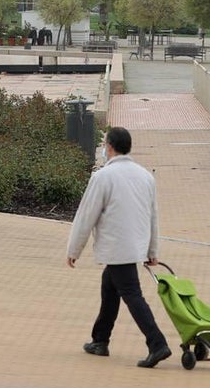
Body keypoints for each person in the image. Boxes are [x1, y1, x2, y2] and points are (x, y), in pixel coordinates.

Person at [67, 126, 171, 368]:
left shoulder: (103, 177)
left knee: (132, 295)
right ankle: (100, 340)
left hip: (116, 247)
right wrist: (152, 251)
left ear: (110, 147)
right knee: (110, 288)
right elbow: (153, 216)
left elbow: (86, 216)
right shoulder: (145, 176)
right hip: (134, 245)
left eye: (104, 144)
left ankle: (157, 344)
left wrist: (74, 250)